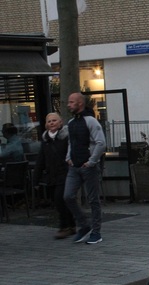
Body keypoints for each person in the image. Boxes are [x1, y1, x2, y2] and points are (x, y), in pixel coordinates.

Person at [64, 92, 106, 245]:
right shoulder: (71, 123)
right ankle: (84, 225)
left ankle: (96, 232)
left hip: (88, 167)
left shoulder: (91, 121)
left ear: (80, 104)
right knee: (68, 196)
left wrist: (92, 161)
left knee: (93, 199)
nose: (69, 105)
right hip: (74, 166)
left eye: (71, 102)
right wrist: (68, 157)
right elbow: (71, 142)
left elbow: (101, 143)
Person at [33, 113, 75, 239]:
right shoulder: (45, 140)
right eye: (49, 121)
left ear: (60, 123)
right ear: (46, 124)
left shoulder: (66, 138)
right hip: (52, 176)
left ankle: (64, 226)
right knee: (60, 200)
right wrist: (36, 179)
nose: (51, 123)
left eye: (54, 120)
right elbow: (41, 160)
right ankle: (72, 224)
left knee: (59, 199)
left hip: (65, 174)